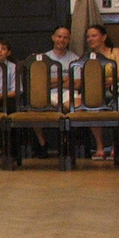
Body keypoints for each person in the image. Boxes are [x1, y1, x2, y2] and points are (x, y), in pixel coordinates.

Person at [31, 26, 78, 156]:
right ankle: (42, 144)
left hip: (68, 93)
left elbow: (77, 83)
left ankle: (67, 143)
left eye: (65, 37)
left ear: (69, 40)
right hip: (48, 94)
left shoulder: (74, 58)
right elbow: (40, 84)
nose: (62, 40)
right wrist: (63, 79)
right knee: (33, 108)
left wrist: (52, 81)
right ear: (53, 38)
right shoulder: (43, 58)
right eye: (59, 36)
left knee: (75, 106)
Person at [83, 24, 119, 159]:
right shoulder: (88, 57)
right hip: (97, 91)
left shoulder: (115, 52)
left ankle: (116, 146)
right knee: (91, 108)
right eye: (88, 37)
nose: (90, 39)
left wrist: (111, 79)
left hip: (116, 89)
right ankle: (100, 146)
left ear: (104, 37)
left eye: (94, 36)